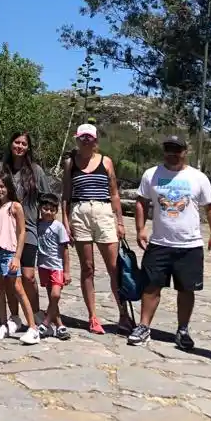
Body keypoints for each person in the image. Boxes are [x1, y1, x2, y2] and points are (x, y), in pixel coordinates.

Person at [128, 135, 211, 350]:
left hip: (189, 245)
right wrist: (140, 229)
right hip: (159, 243)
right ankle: (143, 326)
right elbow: (141, 202)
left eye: (177, 149)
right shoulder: (152, 174)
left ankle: (183, 329)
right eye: (169, 148)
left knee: (186, 289)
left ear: (185, 151)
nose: (172, 153)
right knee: (151, 286)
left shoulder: (198, 177)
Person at [61, 123, 132, 334]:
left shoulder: (106, 162)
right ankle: (92, 316)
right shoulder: (70, 163)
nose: (86, 140)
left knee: (114, 268)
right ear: (77, 139)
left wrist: (120, 222)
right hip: (80, 211)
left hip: (103, 211)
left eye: (89, 137)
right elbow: (66, 194)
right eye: (82, 137)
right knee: (88, 268)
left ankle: (123, 314)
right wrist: (66, 222)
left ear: (95, 141)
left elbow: (114, 193)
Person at [0, 131, 54, 333]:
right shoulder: (1, 168)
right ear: (10, 144)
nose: (19, 146)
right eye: (16, 142)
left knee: (28, 276)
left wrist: (48, 224)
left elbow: (48, 198)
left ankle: (35, 314)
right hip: (5, 231)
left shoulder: (35, 171)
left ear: (28, 147)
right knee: (9, 275)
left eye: (23, 143)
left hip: (28, 229)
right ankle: (14, 316)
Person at [0, 169, 41, 344]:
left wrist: (17, 257)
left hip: (9, 251)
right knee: (0, 289)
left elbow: (22, 232)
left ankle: (33, 327)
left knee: (17, 288)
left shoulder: (15, 206)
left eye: (2, 186)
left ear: (8, 187)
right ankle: (4, 323)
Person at [36, 193, 72, 340]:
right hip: (43, 265)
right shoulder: (38, 224)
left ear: (56, 211)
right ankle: (60, 326)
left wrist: (67, 271)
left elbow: (65, 250)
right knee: (52, 299)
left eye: (52, 210)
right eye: (45, 209)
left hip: (56, 266)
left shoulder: (58, 227)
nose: (48, 212)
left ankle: (45, 322)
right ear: (40, 208)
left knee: (56, 295)